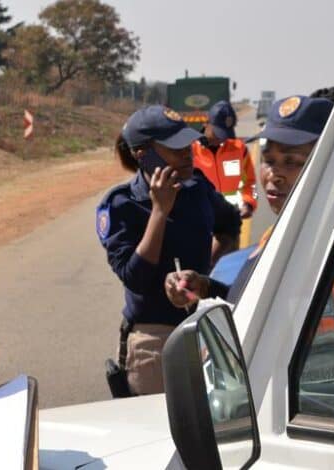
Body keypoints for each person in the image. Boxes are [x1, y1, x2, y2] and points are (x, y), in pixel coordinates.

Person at [97, 105, 241, 396]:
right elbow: (135, 277)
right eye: (175, 148)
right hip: (155, 343)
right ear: (143, 155)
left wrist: (206, 273)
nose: (187, 153)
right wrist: (160, 211)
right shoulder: (121, 205)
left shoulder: (197, 189)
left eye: (187, 145)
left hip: (206, 327)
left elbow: (230, 223)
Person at [165, 95, 334, 307]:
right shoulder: (192, 154)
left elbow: (250, 185)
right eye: (269, 160)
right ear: (206, 126)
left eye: (292, 161)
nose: (274, 174)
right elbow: (252, 303)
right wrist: (206, 287)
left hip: (232, 222)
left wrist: (249, 203)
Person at [192, 100, 258, 219]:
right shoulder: (190, 152)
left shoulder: (239, 149)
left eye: (225, 134)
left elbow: (251, 183)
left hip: (231, 219)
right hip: (201, 218)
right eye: (217, 133)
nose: (221, 138)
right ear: (205, 123)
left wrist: (249, 204)